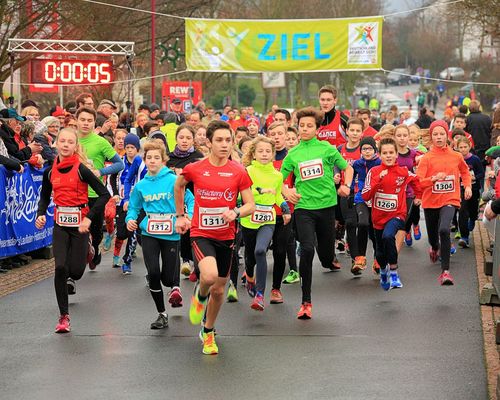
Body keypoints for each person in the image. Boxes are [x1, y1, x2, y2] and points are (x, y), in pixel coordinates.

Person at [174, 120, 255, 355]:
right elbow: (178, 187)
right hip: (201, 233)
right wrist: (181, 216)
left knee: (219, 291)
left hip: (226, 236)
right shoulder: (195, 168)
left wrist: (236, 212)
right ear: (208, 143)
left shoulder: (238, 171)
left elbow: (251, 204)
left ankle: (207, 330)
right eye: (219, 140)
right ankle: (200, 296)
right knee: (208, 276)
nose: (224, 144)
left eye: (228, 140)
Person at [35, 128, 110, 333]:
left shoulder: (81, 169)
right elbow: (44, 195)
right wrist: (41, 213)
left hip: (80, 225)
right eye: (62, 141)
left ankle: (88, 249)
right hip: (60, 224)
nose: (66, 145)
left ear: (76, 146)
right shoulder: (50, 171)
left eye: (70, 142)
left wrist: (88, 218)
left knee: (75, 272)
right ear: (56, 144)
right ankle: (63, 316)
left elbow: (104, 195)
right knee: (60, 268)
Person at [281, 107, 353, 319]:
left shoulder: (327, 149)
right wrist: (286, 191)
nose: (304, 129)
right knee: (306, 249)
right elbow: (278, 179)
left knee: (325, 253)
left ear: (317, 128)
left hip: (326, 207)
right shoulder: (292, 153)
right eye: (301, 125)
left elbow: (347, 168)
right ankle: (306, 302)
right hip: (304, 208)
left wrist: (346, 185)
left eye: (309, 126)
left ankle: (328, 259)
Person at [126, 141, 194, 329]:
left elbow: (190, 199)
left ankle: (174, 288)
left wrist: (190, 217)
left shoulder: (173, 180)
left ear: (164, 160)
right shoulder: (141, 186)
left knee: (167, 277)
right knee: (153, 273)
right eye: (149, 158)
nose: (153, 161)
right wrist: (130, 220)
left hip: (171, 231)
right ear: (144, 160)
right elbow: (133, 207)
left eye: (157, 157)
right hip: (149, 232)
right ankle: (161, 314)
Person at [416, 120, 472, 285]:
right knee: (433, 238)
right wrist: (432, 179)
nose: (439, 137)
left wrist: (467, 186)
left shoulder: (456, 156)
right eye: (435, 134)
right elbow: (418, 182)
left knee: (444, 229)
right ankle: (434, 247)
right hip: (431, 202)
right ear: (431, 136)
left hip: (450, 199)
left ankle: (445, 272)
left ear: (447, 135)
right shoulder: (426, 158)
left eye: (441, 134)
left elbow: (465, 171)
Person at [362, 138, 421, 290]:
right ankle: (383, 270)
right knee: (380, 253)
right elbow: (366, 196)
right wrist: (377, 181)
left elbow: (417, 181)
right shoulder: (374, 172)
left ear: (396, 155)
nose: (388, 156)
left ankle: (394, 272)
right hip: (378, 218)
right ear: (379, 155)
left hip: (397, 214)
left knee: (389, 236)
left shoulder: (402, 171)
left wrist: (419, 195)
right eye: (385, 153)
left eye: (391, 153)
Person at [241, 136, 291, 310]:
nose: (264, 154)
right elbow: (245, 191)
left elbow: (276, 195)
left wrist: (285, 207)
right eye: (260, 151)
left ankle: (260, 295)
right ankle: (249, 275)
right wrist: (262, 190)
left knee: (260, 250)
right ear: (253, 154)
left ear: (273, 155)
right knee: (250, 257)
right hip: (248, 219)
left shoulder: (277, 175)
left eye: (268, 151)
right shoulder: (247, 171)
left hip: (267, 219)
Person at [76, 107, 124, 270]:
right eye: (82, 119)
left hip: (95, 193)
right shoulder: (69, 139)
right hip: (74, 193)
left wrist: (100, 171)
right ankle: (80, 256)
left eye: (89, 120)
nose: (85, 123)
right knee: (78, 230)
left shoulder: (100, 142)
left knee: (96, 232)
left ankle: (95, 248)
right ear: (76, 121)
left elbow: (120, 164)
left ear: (94, 123)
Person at [267, 122, 299, 286]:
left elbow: (299, 181)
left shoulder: (292, 157)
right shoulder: (263, 157)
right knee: (261, 244)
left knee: (287, 241)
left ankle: (294, 270)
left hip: (288, 207)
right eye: (273, 135)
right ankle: (250, 269)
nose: (277, 137)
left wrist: (293, 192)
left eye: (280, 134)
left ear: (286, 136)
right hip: (265, 209)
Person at [336, 118, 364, 274]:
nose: (354, 133)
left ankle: (365, 255)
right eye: (351, 130)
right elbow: (334, 165)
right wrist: (336, 176)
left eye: (357, 130)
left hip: (362, 193)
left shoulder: (365, 148)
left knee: (363, 225)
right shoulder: (340, 149)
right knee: (351, 224)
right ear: (346, 131)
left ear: (362, 133)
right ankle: (356, 259)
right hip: (345, 192)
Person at [352, 136, 381, 274]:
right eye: (364, 149)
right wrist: (350, 191)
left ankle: (378, 259)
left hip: (377, 199)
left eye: (370, 148)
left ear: (375, 149)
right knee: (363, 223)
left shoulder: (380, 162)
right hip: (361, 198)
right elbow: (351, 179)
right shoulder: (357, 164)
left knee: (375, 230)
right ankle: (360, 257)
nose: (367, 151)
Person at [456, 137, 484, 247]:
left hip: (474, 188)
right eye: (460, 147)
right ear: (457, 148)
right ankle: (464, 237)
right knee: (462, 211)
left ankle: (473, 219)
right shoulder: (456, 159)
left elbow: (481, 173)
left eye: (465, 147)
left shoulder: (475, 159)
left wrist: (474, 178)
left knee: (472, 211)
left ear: (469, 147)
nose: (463, 149)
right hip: (461, 189)